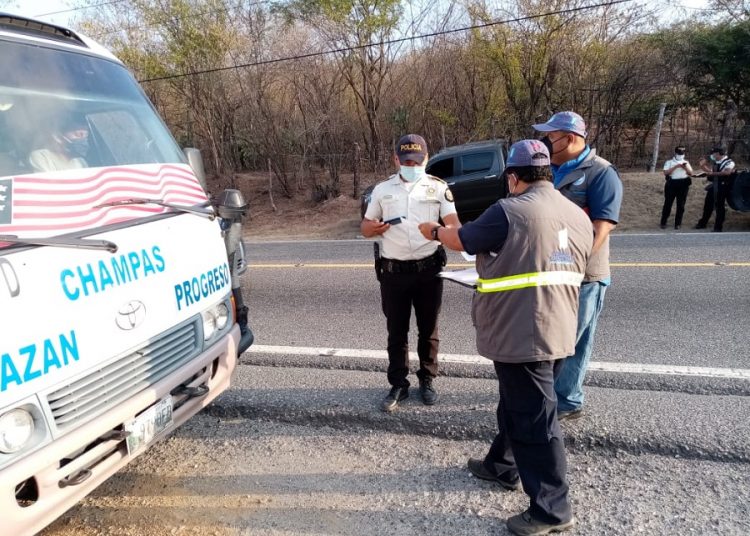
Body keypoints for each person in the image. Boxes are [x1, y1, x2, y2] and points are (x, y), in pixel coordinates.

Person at [418, 140, 593, 536]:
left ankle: (552, 510)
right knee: (518, 404)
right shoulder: (575, 213)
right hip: (559, 326)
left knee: (536, 421)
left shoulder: (510, 210)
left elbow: (463, 240)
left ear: (513, 177)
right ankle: (501, 465)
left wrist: (434, 231)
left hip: (523, 332)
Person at [532, 111, 623, 421]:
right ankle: (548, 392)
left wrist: (572, 266)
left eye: (551, 136)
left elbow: (601, 227)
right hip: (549, 270)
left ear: (570, 138)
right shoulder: (549, 170)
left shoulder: (601, 173)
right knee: (552, 335)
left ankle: (567, 400)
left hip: (583, 275)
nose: (546, 142)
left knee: (573, 340)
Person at [361, 134, 460, 412]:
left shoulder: (438, 188)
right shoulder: (382, 190)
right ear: (396, 159)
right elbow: (365, 227)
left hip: (428, 269)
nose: (412, 166)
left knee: (429, 329)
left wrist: (442, 232)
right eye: (406, 161)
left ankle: (427, 379)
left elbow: (455, 226)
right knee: (396, 331)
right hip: (394, 272)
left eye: (417, 161)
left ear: (426, 159)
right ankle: (398, 384)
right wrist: (373, 228)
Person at [694, 146, 735, 232]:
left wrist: (712, 174)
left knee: (720, 207)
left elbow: (727, 172)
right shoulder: (716, 162)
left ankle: (718, 227)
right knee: (707, 206)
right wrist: (703, 166)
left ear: (718, 154)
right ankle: (702, 224)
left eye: (713, 154)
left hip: (723, 187)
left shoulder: (729, 162)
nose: (712, 156)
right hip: (714, 186)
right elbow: (711, 172)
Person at [661, 146, 693, 230]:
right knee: (668, 204)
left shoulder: (686, 162)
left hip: (683, 184)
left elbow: (690, 173)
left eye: (682, 154)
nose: (680, 155)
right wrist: (676, 166)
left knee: (681, 205)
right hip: (672, 184)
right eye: (679, 153)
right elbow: (666, 172)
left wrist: (684, 167)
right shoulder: (669, 162)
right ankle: (663, 222)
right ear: (675, 153)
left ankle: (678, 223)